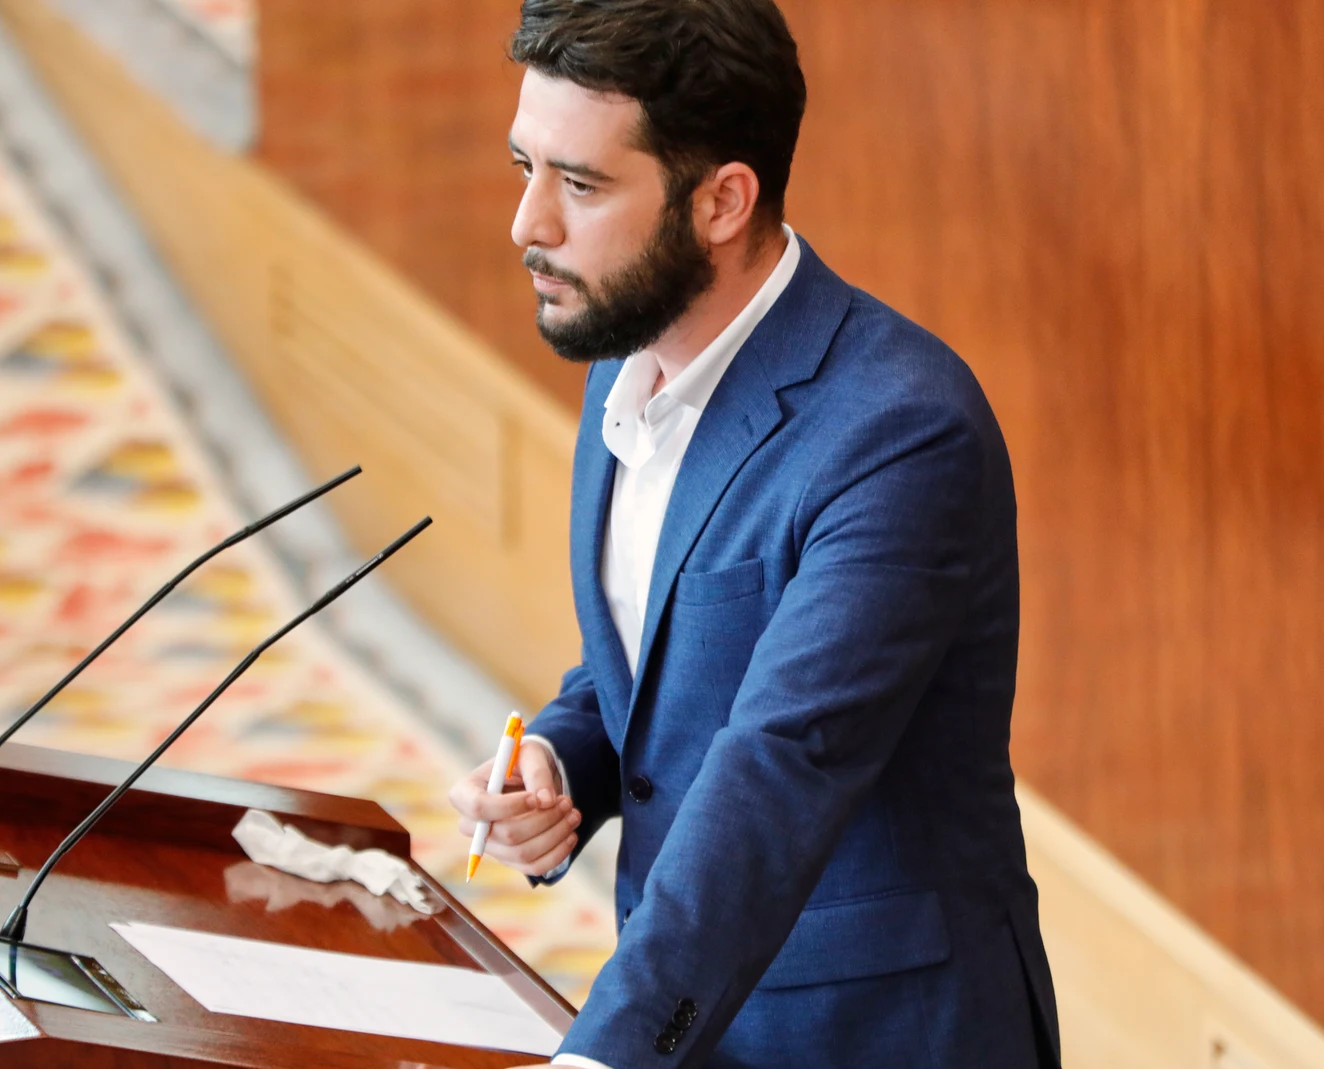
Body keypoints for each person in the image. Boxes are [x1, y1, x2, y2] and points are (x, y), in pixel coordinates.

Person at [447, 1, 1060, 1065]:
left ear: (722, 199)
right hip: (698, 1008)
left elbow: (783, 761)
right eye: (524, 168)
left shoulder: (899, 433)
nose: (527, 224)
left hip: (872, 1032)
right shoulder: (624, 352)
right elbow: (662, 642)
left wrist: (602, 1054)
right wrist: (561, 755)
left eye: (580, 184)